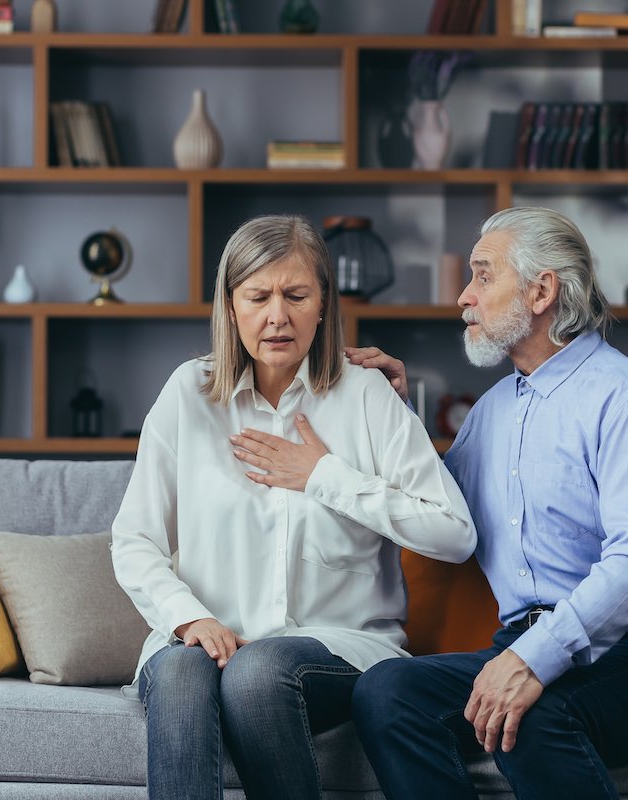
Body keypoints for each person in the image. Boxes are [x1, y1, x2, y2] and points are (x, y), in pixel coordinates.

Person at [347, 206, 628, 800]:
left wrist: (535, 661)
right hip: (521, 641)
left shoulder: (626, 398)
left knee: (529, 715)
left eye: (482, 275)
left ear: (541, 290)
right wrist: (393, 418)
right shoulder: (490, 413)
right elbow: (437, 509)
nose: (464, 297)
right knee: (387, 692)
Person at [110, 214, 476, 800]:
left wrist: (324, 476)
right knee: (180, 670)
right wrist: (188, 617)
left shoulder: (366, 394)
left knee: (256, 675)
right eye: (257, 296)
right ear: (231, 308)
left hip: (338, 645)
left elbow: (454, 532)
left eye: (296, 295)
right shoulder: (188, 393)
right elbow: (135, 538)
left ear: (324, 304)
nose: (277, 315)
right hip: (205, 636)